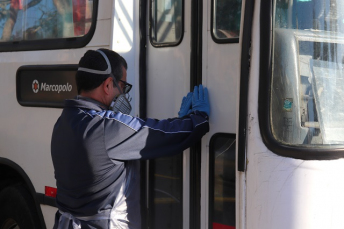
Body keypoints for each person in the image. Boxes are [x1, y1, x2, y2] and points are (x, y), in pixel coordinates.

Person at [51, 48, 210, 229]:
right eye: (123, 86)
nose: (123, 94)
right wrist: (198, 118)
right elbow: (161, 134)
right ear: (108, 84)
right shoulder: (106, 127)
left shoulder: (64, 121)